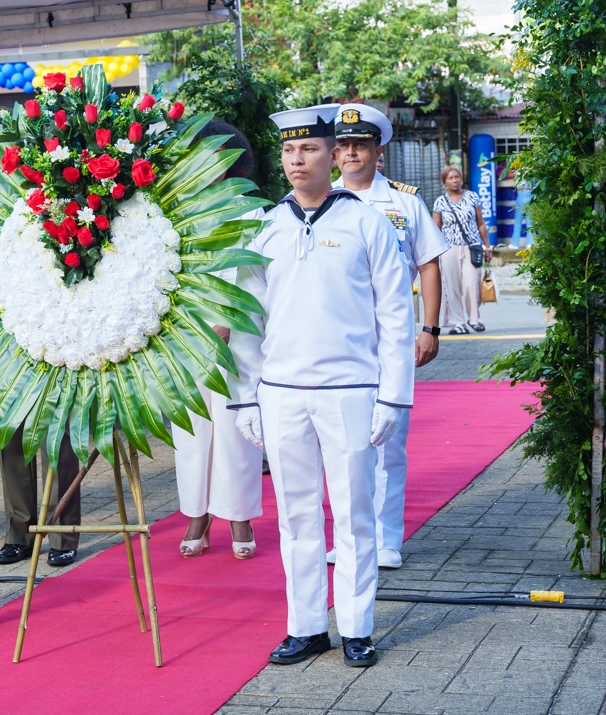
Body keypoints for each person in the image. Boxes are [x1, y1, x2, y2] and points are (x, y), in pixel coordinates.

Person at [228, 105, 414, 669]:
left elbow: (397, 316)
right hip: (282, 391)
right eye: (287, 150)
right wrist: (245, 395)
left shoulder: (365, 222)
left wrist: (392, 396)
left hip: (350, 389)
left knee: (355, 513)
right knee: (296, 515)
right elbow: (245, 321)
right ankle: (306, 625)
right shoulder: (265, 228)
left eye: (307, 150)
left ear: (333, 156)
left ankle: (357, 626)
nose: (295, 160)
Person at [332, 104, 449, 570]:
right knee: (341, 445)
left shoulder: (404, 202)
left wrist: (430, 327)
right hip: (337, 338)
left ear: (378, 150)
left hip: (391, 337)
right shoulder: (316, 199)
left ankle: (384, 539)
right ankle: (348, 537)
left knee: (387, 442)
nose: (351, 153)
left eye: (360, 144)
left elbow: (429, 264)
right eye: (343, 145)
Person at [170, 121, 264, 561]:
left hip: (237, 338)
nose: (208, 166)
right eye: (199, 157)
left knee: (234, 429)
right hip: (186, 335)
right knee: (190, 429)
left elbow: (260, 280)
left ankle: (239, 516)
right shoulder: (174, 214)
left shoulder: (252, 213)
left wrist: (229, 320)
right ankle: (196, 514)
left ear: (232, 161)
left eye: (216, 156)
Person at [432, 166, 490, 334]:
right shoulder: (440, 202)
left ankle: (474, 319)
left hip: (472, 246)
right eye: (450, 178)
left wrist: (487, 246)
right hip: (449, 249)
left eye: (457, 177)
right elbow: (435, 229)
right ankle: (458, 322)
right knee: (452, 286)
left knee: (470, 284)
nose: (455, 180)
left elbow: (480, 223)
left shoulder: (472, 197)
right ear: (444, 182)